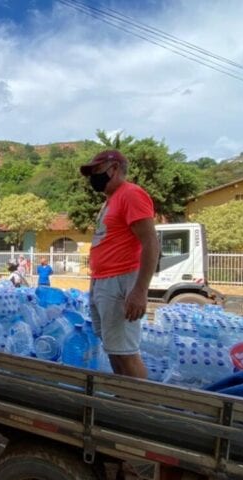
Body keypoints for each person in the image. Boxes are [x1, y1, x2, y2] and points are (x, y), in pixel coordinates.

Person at [80, 150, 160, 379]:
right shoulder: (110, 201)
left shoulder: (131, 195)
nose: (92, 178)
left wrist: (139, 291)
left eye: (96, 171)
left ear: (113, 168)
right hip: (103, 280)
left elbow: (150, 243)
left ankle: (140, 409)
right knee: (113, 346)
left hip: (120, 280)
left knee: (126, 352)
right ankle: (125, 397)